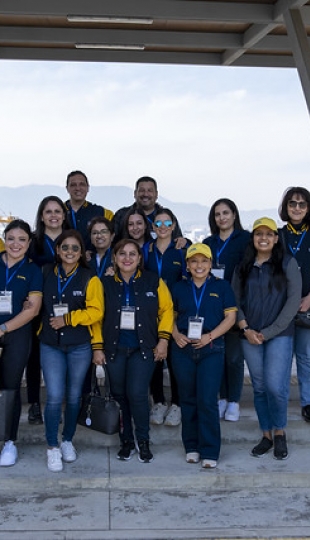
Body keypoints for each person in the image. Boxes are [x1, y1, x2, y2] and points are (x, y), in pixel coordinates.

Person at [232, 217, 301, 460]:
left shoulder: (287, 263)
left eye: (269, 234)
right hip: (249, 334)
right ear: (253, 238)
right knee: (259, 387)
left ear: (275, 237)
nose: (264, 238)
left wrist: (268, 332)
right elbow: (234, 300)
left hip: (279, 334)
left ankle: (280, 431)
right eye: (258, 234)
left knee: (275, 386)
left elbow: (293, 302)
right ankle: (266, 435)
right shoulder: (244, 266)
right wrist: (245, 328)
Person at [101, 239, 174, 463]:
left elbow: (167, 310)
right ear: (114, 257)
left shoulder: (153, 281)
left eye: (133, 254)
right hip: (114, 348)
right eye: (122, 254)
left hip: (143, 349)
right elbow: (95, 316)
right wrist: (97, 348)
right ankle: (126, 441)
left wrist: (163, 340)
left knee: (138, 394)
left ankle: (143, 440)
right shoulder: (103, 283)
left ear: (140, 258)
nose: (127, 258)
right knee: (120, 396)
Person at [38, 229, 104, 472]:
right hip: (50, 345)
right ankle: (52, 447)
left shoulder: (90, 278)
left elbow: (97, 312)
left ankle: (67, 440)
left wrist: (68, 319)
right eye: (65, 247)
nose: (69, 252)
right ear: (57, 250)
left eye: (75, 248)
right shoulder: (45, 273)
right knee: (55, 396)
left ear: (81, 253)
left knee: (75, 396)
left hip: (79, 345)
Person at [171, 243, 237, 468]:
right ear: (187, 265)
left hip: (211, 348)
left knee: (207, 400)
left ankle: (210, 451)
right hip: (183, 349)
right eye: (194, 261)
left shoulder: (223, 286)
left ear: (210, 264)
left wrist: (210, 337)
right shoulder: (178, 287)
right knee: (187, 399)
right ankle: (191, 447)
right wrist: (175, 334)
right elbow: (168, 314)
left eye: (204, 261)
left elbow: (230, 318)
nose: (199, 265)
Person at [0, 219, 43, 467]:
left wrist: (4, 328)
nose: (16, 244)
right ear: (5, 238)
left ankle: (9, 442)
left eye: (22, 239)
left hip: (17, 333)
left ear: (28, 243)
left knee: (11, 387)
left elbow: (33, 309)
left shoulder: (33, 270)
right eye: (11, 238)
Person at [203, 198, 250, 422]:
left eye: (225, 213)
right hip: (212, 304)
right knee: (217, 355)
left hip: (236, 303)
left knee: (233, 357)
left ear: (234, 214)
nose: (222, 217)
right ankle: (221, 398)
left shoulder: (245, 240)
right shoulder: (208, 242)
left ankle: (233, 401)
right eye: (217, 214)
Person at [27, 195, 69, 425]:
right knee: (34, 356)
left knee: (66, 355)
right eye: (49, 211)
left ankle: (64, 403)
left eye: (58, 211)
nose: (53, 215)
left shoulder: (73, 239)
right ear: (42, 216)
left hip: (67, 307)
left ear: (64, 215)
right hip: (38, 306)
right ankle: (34, 403)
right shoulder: (33, 242)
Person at [145, 208, 189, 427]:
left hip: (176, 314)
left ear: (173, 226)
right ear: (153, 228)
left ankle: (177, 404)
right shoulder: (146, 249)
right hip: (152, 314)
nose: (162, 228)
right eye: (158, 224)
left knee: (175, 361)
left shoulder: (182, 249)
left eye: (166, 223)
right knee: (155, 358)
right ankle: (159, 402)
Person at [278, 187, 310, 422]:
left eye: (302, 204)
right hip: (281, 307)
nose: (296, 208)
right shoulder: (277, 236)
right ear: (285, 207)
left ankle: (307, 402)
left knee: (305, 356)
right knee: (282, 356)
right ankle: (279, 403)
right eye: (292, 203)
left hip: (307, 305)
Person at [113, 176, 183, 243]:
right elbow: (111, 242)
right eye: (142, 190)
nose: (145, 194)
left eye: (150, 190)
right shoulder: (121, 215)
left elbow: (179, 241)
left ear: (156, 194)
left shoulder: (166, 216)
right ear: (135, 193)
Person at [64, 170, 114, 252]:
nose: (78, 188)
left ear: (88, 188)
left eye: (82, 184)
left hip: (92, 263)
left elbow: (113, 240)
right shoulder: (58, 212)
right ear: (67, 188)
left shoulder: (103, 213)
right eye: (73, 185)